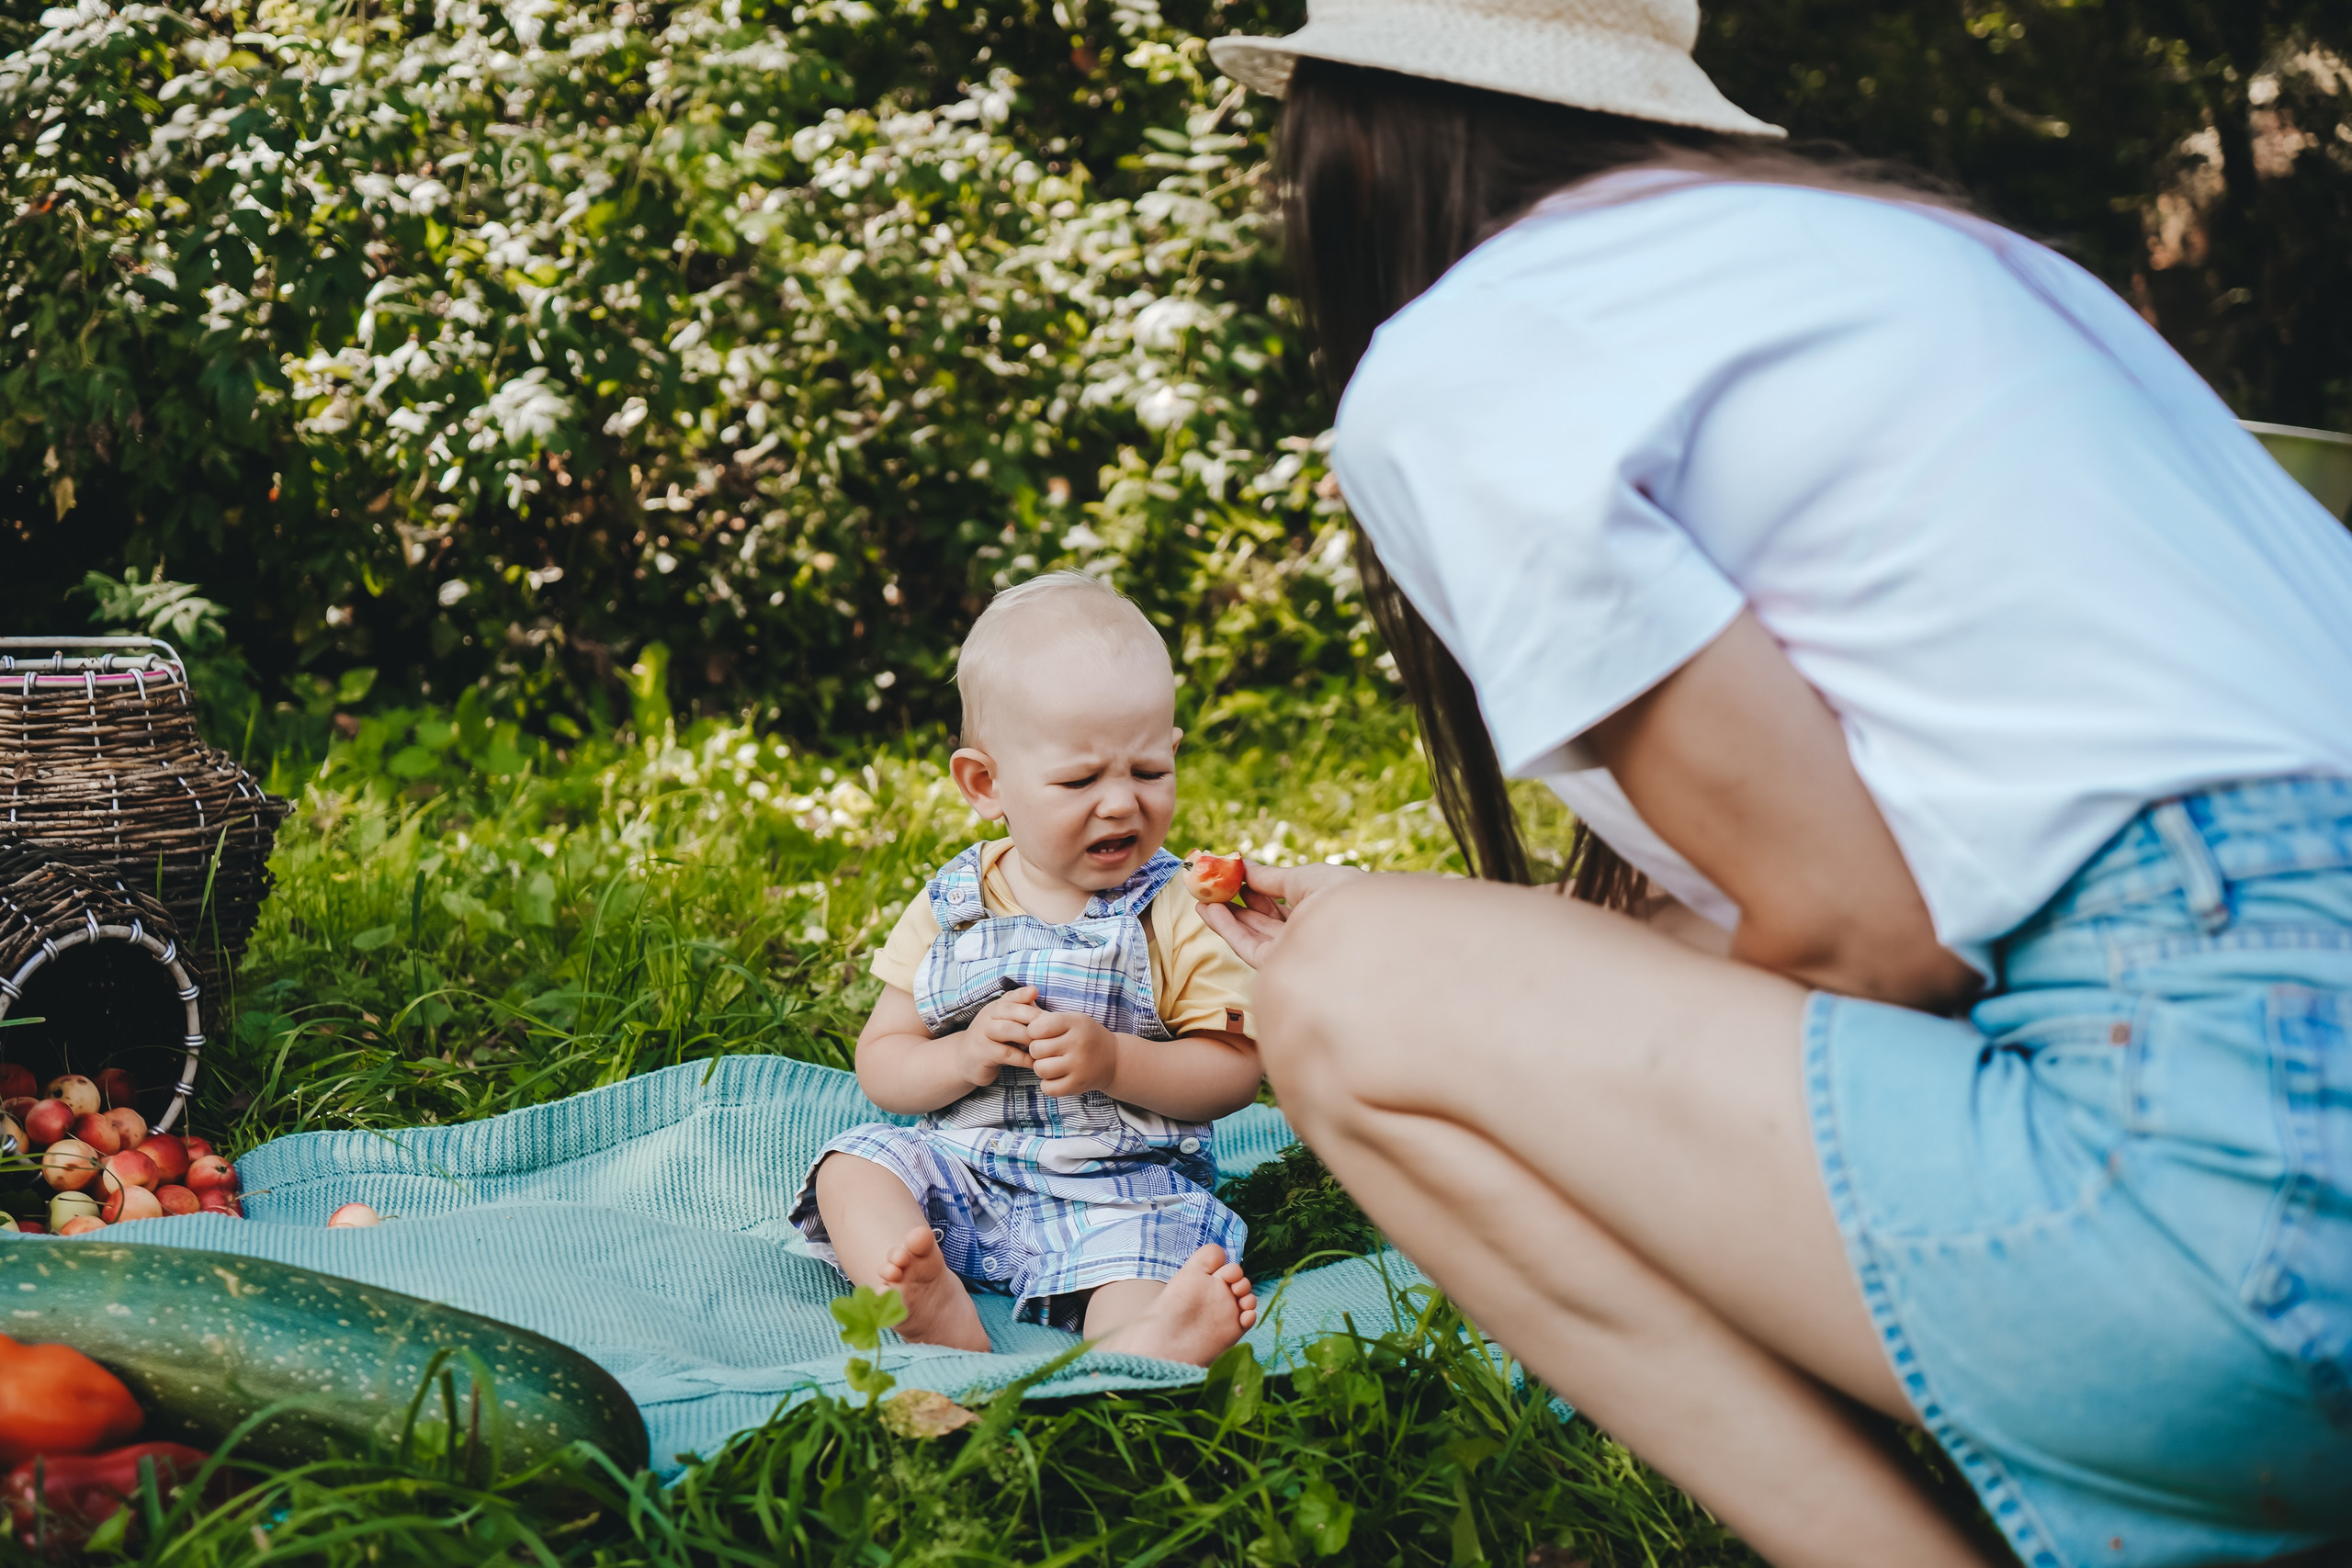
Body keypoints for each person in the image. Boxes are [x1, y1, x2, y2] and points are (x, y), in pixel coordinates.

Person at [1193, 3, 2352, 1565]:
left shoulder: (1481, 338)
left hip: (2252, 1210)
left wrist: (1411, 955)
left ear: (1357, 141)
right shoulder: (1944, 265)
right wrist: (1514, 956)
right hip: (2267, 1083)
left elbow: (1872, 934)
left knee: (1344, 991)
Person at [790, 572, 1262, 1365]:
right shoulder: (952, 904)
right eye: (1080, 780)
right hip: (963, 1177)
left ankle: (1143, 1341)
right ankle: (917, 1295)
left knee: (1149, 1253)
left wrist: (1117, 1061)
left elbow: (1234, 1073)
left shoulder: (1178, 909)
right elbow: (883, 1062)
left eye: (1149, 771)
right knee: (853, 1165)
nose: (1121, 803)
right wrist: (963, 1054)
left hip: (1118, 1195)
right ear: (986, 783)